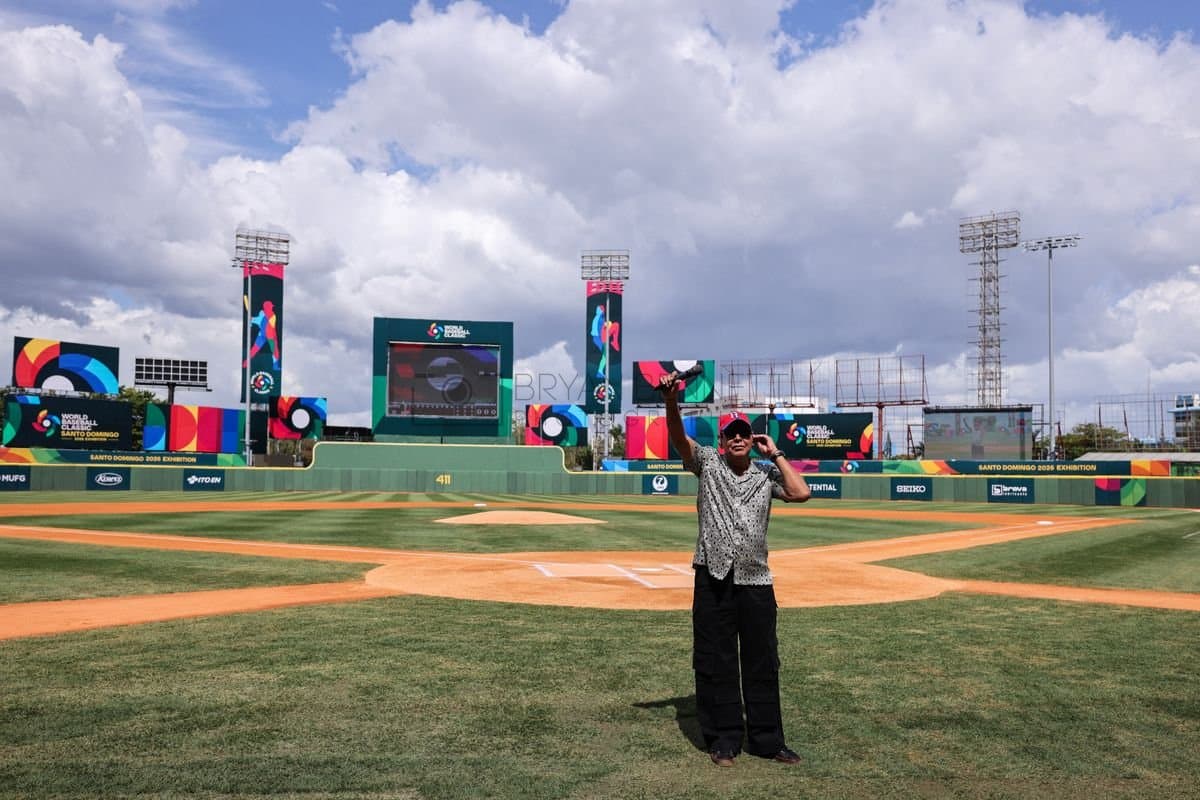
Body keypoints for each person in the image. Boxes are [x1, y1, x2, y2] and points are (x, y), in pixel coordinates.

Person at [661, 372, 811, 768]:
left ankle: (767, 740)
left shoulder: (767, 472)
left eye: (745, 433)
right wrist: (672, 401)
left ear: (753, 439)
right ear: (723, 441)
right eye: (732, 434)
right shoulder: (708, 464)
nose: (739, 438)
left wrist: (775, 452)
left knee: (763, 659)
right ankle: (723, 739)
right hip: (713, 576)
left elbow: (801, 492)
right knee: (716, 659)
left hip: (756, 579)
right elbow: (679, 440)